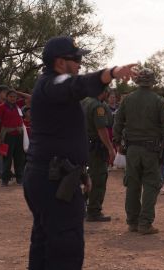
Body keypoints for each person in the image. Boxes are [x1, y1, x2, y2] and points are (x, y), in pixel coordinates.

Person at [22, 36, 137, 270]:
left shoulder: (53, 87)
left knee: (45, 244)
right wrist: (111, 72)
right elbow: (78, 85)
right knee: (65, 249)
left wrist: (80, 173)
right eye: (76, 59)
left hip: (56, 175)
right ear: (60, 62)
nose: (80, 64)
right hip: (51, 179)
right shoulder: (53, 83)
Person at [113, 68, 164, 235]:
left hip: (132, 149)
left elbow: (117, 122)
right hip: (151, 149)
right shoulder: (158, 100)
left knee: (132, 184)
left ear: (137, 81)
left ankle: (132, 222)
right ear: (152, 82)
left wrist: (117, 141)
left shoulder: (127, 100)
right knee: (151, 184)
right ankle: (145, 223)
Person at [81, 90, 116, 222]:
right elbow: (102, 129)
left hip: (83, 144)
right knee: (99, 178)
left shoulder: (84, 101)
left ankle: (80, 207)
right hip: (96, 147)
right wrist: (110, 148)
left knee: (85, 177)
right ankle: (94, 211)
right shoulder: (97, 106)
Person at [0, 89, 26, 186]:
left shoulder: (18, 105)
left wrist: (18, 92)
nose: (13, 98)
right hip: (8, 135)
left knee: (19, 158)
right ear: (7, 97)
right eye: (11, 96)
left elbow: (30, 98)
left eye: (14, 97)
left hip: (19, 135)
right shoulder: (1, 107)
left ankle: (19, 179)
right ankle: (5, 180)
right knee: (7, 158)